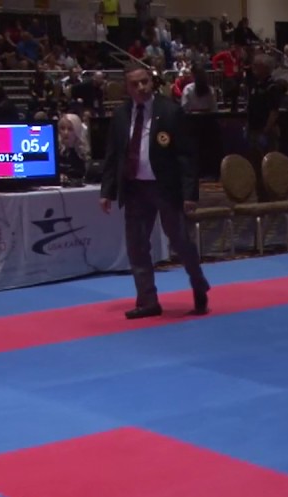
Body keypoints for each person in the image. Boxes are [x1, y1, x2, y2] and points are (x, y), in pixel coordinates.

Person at [100, 63, 210, 319]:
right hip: (134, 188)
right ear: (127, 88)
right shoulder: (120, 116)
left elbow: (187, 156)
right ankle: (148, 300)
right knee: (137, 247)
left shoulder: (170, 112)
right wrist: (107, 191)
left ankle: (198, 283)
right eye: (135, 84)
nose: (141, 88)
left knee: (180, 241)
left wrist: (189, 194)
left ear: (152, 82)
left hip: (165, 188)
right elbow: (112, 156)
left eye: (145, 82)